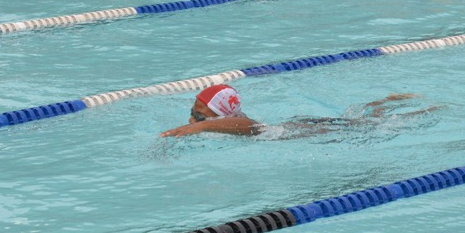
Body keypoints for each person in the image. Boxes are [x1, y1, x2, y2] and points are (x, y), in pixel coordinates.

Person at [160, 84, 424, 138]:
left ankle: (423, 109)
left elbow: (249, 127)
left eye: (200, 114)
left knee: (372, 125)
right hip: (303, 123)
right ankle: (387, 100)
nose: (192, 118)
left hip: (315, 129)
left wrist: (200, 126)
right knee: (356, 117)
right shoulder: (228, 125)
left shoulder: (247, 126)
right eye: (194, 113)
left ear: (223, 116)